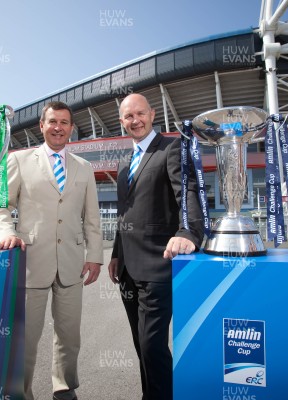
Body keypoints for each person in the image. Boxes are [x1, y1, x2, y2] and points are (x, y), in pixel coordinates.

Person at [0, 101, 103, 400]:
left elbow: (91, 217)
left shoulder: (84, 168)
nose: (58, 127)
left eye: (64, 122)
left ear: (71, 128)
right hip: (31, 261)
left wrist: (94, 256)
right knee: (24, 338)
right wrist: (6, 233)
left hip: (72, 263)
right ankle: (20, 392)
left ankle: (64, 389)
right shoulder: (19, 160)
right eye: (52, 121)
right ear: (41, 125)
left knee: (69, 336)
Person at [108, 93, 204, 399]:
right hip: (127, 268)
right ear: (121, 121)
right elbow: (125, 213)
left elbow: (187, 192)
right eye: (128, 116)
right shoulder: (125, 162)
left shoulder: (172, 148)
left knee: (152, 345)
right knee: (142, 346)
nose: (134, 120)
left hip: (157, 265)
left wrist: (187, 232)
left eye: (140, 114)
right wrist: (115, 254)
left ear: (152, 114)